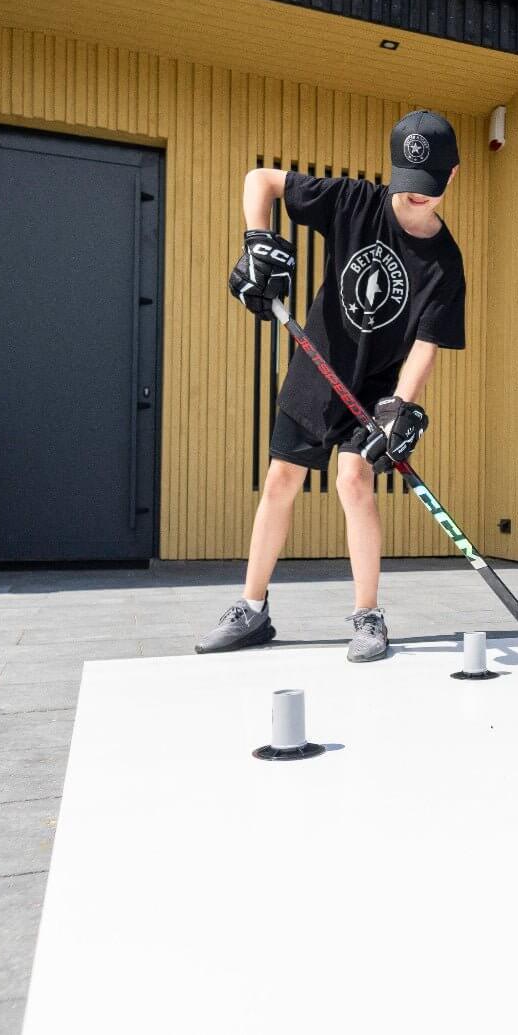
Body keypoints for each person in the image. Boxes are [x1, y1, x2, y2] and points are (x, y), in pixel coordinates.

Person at [196, 110, 466, 662]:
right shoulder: (355, 201)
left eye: (430, 189)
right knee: (280, 480)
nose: (417, 198)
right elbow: (260, 181)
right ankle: (251, 608)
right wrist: (256, 241)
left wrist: (401, 407)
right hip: (317, 368)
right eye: (409, 187)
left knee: (353, 480)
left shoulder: (446, 262)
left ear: (453, 177)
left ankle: (368, 615)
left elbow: (427, 343)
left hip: (376, 389)